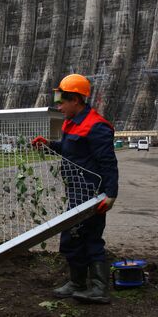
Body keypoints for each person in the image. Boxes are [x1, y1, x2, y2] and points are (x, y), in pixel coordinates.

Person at [32, 74, 118, 304]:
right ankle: (77, 282)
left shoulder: (97, 126)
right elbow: (71, 151)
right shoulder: (72, 123)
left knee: (90, 238)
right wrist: (49, 145)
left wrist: (110, 194)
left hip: (92, 194)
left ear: (76, 100)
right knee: (72, 238)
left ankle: (99, 288)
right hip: (76, 191)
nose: (59, 106)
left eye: (62, 101)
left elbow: (108, 163)